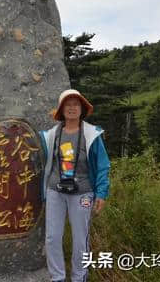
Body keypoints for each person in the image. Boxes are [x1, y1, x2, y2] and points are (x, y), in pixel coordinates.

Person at [40, 89, 111, 282]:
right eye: (67, 105)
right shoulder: (52, 135)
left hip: (83, 193)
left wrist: (102, 193)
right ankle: (57, 278)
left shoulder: (91, 134)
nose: (72, 108)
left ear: (82, 109)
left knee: (81, 239)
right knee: (52, 238)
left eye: (75, 105)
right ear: (61, 110)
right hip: (55, 190)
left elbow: (103, 165)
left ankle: (79, 278)